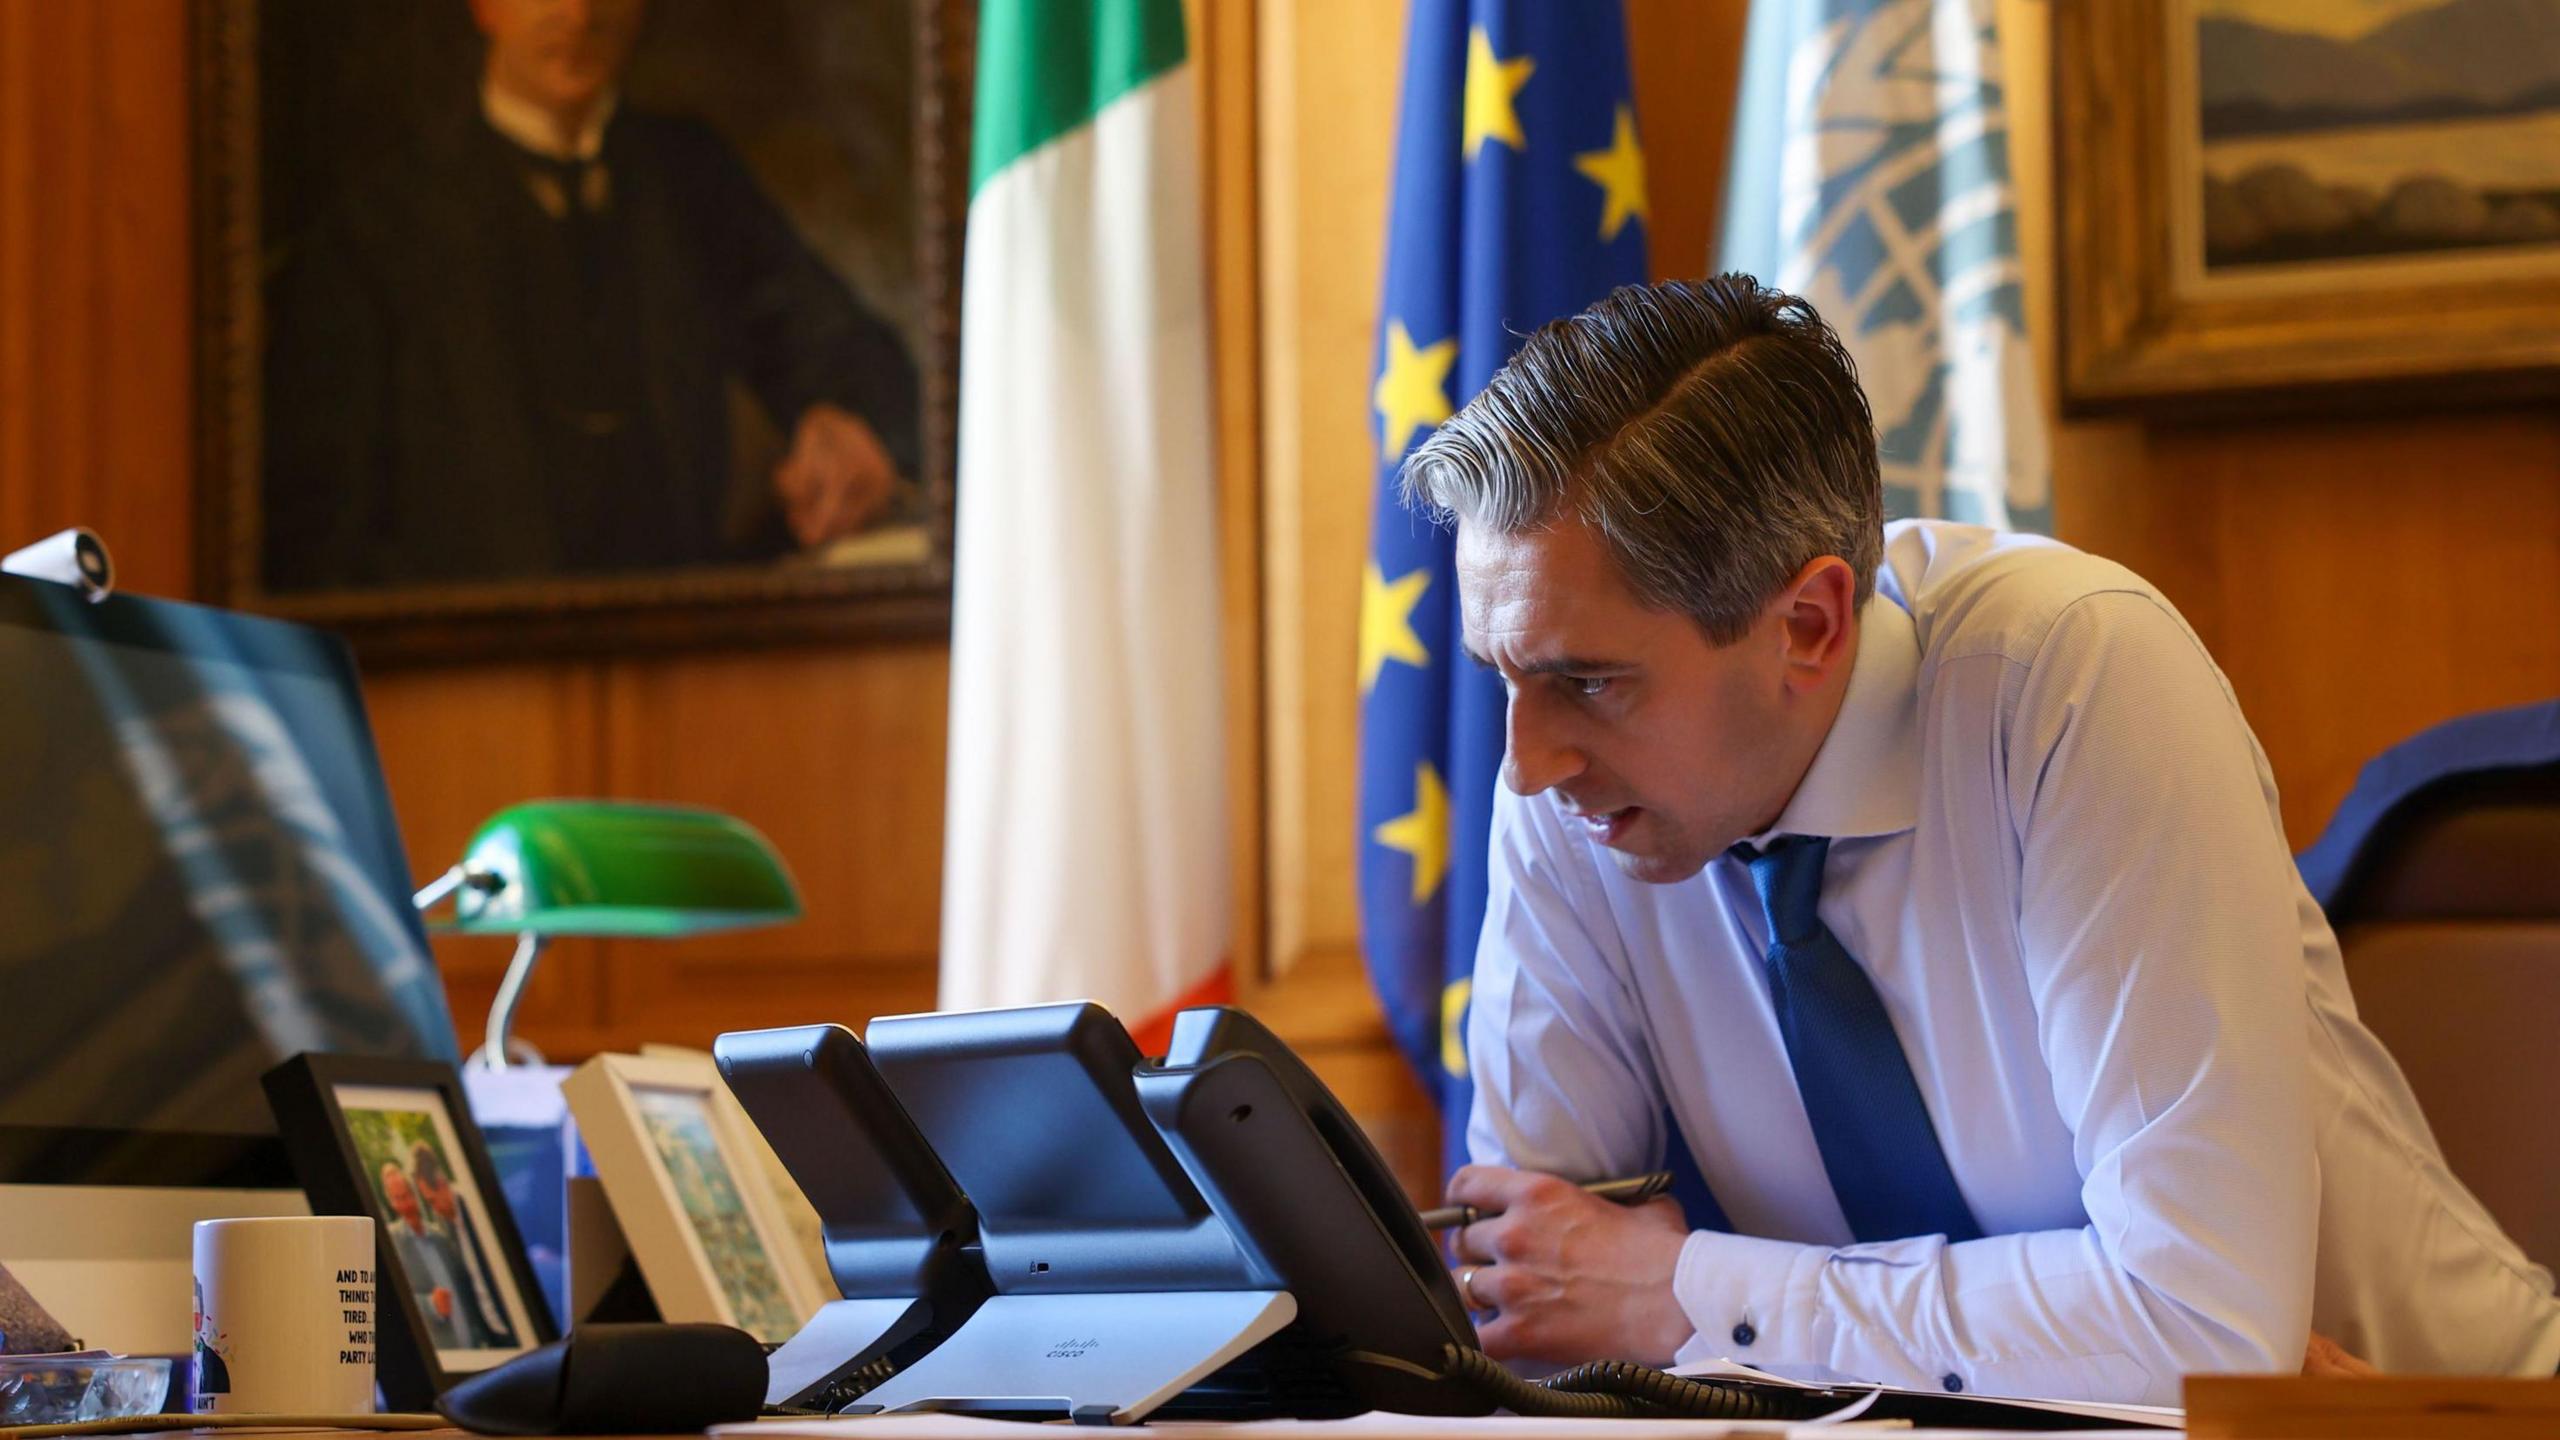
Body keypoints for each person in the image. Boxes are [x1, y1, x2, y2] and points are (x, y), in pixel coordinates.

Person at [1405, 276, 2560, 1403]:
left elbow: (2201, 1327)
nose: (1525, 760)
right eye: (1504, 675)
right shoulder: (1572, 775)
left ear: (1807, 624)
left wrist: (1694, 1291)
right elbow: (1542, 1295)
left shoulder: (2074, 680)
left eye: (1591, 681)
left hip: (2431, 1420)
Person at [264, 0, 920, 590]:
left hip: (686, 653)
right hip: (467, 683)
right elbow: (319, 534)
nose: (578, 14)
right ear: (484, 7)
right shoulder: (378, 226)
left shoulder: (689, 177)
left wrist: (847, 428)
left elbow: (844, 350)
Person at [411, 1141, 516, 1350]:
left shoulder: (479, 1212)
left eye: (432, 1201)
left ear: (441, 1184)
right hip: (494, 1337)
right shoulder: (446, 1228)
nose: (434, 1210)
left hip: (515, 1330)